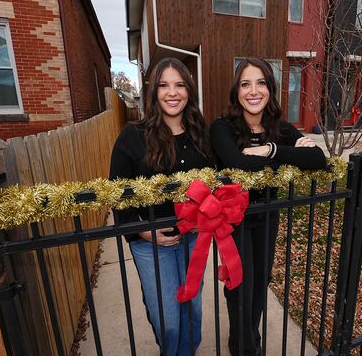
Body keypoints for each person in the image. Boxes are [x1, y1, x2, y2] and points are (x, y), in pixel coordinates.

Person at [210, 58, 328, 356]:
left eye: (261, 83)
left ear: (270, 89)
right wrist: (288, 155)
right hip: (233, 219)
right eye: (245, 83)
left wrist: (270, 149)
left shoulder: (280, 128)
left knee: (260, 283)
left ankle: (246, 341)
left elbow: (317, 159)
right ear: (236, 91)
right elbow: (238, 164)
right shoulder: (221, 128)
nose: (254, 91)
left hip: (267, 212)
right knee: (240, 287)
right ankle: (246, 348)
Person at [109, 58, 212, 356]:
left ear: (189, 91)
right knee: (167, 319)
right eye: (164, 85)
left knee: (192, 309)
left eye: (179, 85)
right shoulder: (133, 136)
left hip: (193, 239)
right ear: (153, 92)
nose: (172, 92)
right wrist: (143, 231)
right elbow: (118, 193)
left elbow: (216, 182)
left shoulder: (201, 135)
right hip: (150, 245)